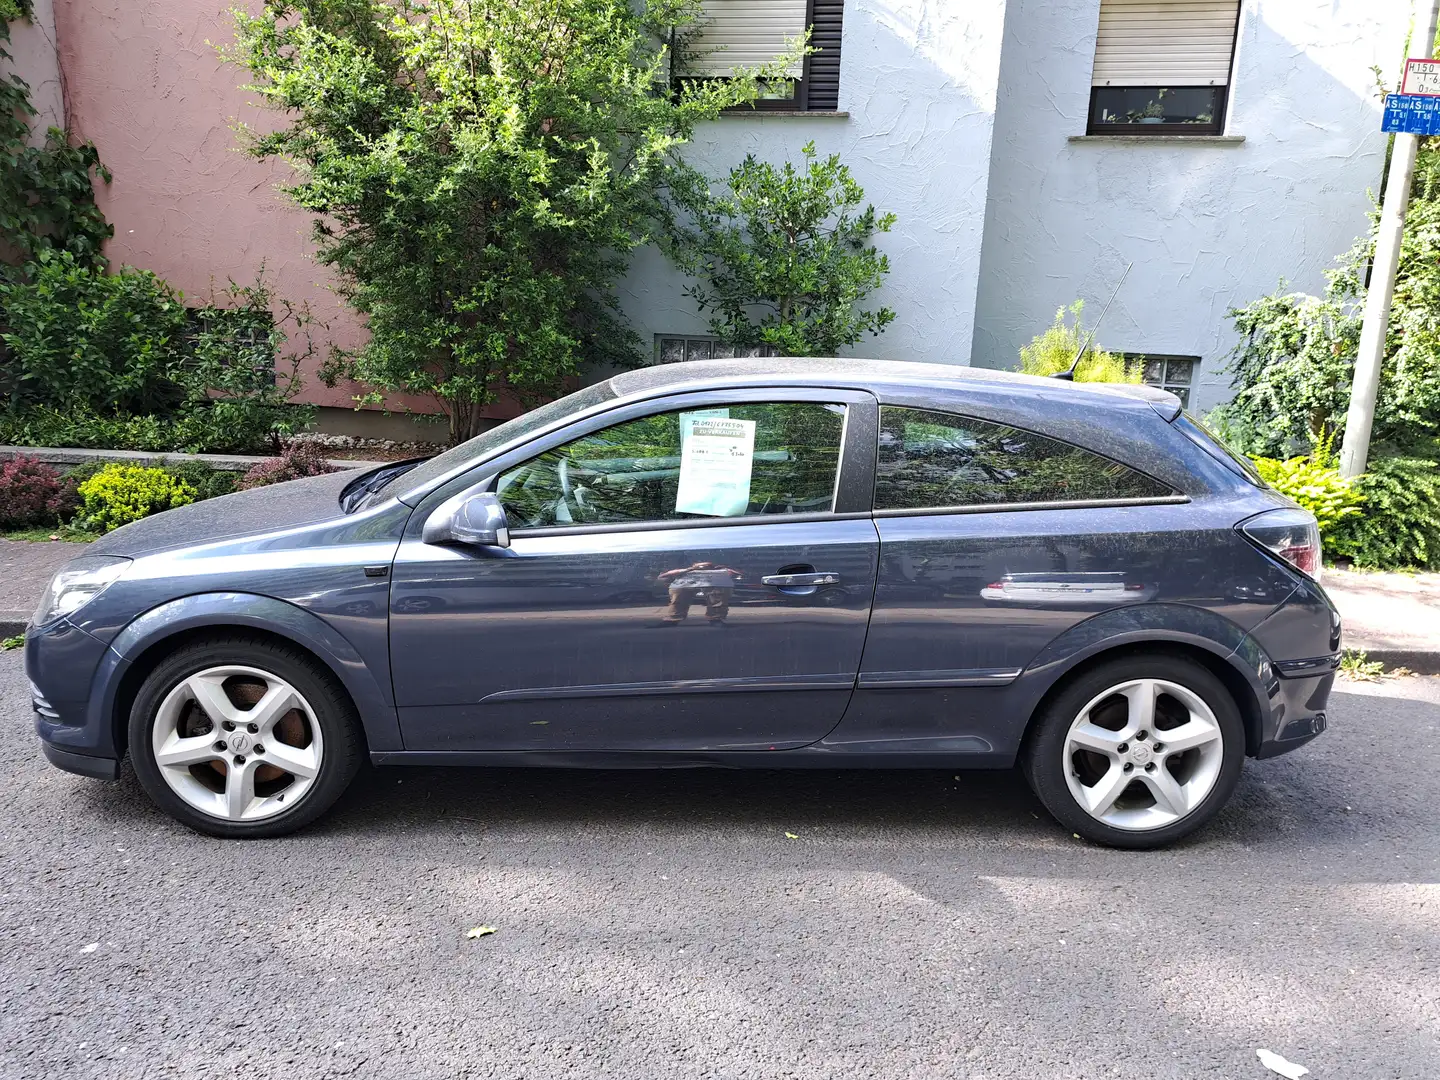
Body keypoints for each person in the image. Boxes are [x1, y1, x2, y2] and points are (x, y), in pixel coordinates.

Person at [657, 560, 742, 624]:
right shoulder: (686, 570)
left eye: (706, 565)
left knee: (717, 599)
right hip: (686, 584)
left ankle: (716, 619)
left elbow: (737, 574)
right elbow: (663, 576)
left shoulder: (721, 570)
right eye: (700, 566)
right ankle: (673, 618)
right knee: (678, 600)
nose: (703, 567)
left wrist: (724, 569)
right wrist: (688, 569)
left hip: (713, 584)